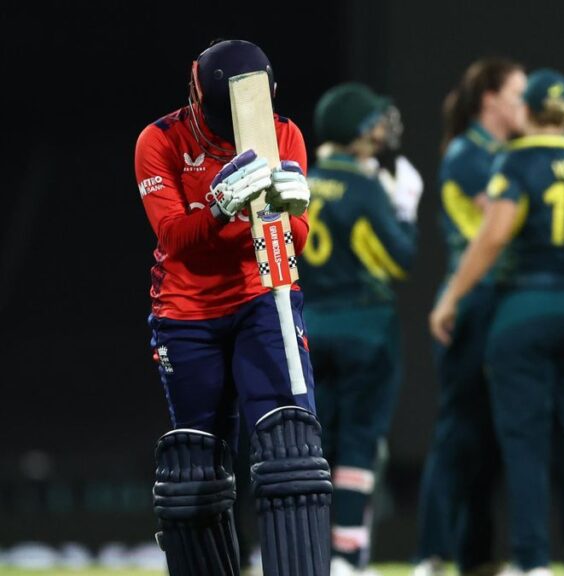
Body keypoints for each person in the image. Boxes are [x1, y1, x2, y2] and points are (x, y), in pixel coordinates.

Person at [430, 69, 564, 576]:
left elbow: (494, 236)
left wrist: (450, 297)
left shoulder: (515, 161)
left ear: (526, 110)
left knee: (525, 443)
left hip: (524, 308)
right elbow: (563, 229)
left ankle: (531, 562)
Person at [135, 39, 330, 576]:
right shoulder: (160, 140)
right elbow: (175, 239)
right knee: (197, 462)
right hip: (187, 312)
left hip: (263, 298)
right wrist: (220, 207)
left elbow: (293, 241)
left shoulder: (283, 132)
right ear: (197, 96)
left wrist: (296, 211)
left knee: (290, 445)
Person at [298, 82, 419, 576]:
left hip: (310, 324)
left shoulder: (300, 179)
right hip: (365, 326)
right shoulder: (366, 185)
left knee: (315, 445)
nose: (379, 129)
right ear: (353, 129)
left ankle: (311, 551)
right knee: (360, 444)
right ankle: (347, 553)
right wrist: (405, 211)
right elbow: (399, 258)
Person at [413, 58, 527, 576]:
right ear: (491, 100)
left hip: (498, 302)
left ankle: (476, 556)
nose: (526, 105)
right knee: (460, 431)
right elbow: (503, 225)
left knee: (489, 434)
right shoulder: (469, 154)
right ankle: (432, 552)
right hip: (470, 302)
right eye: (519, 94)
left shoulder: (507, 154)